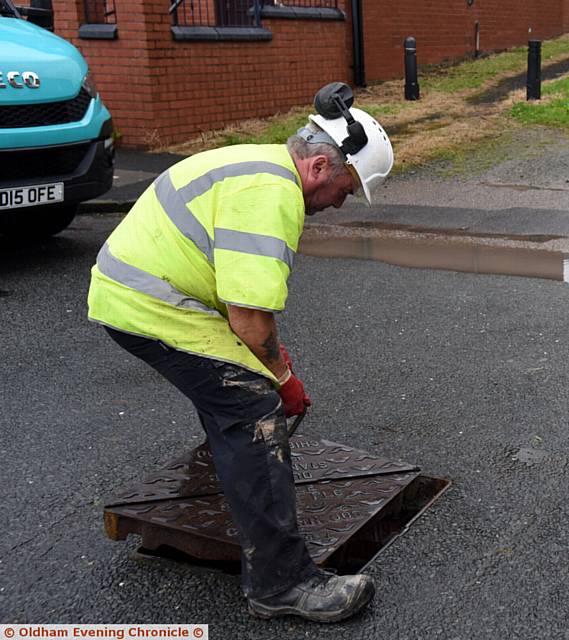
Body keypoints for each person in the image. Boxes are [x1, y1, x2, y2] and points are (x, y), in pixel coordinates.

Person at [87, 82, 393, 623]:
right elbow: (250, 321)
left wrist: (273, 365)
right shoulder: (272, 196)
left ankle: (232, 476)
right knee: (254, 411)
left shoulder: (259, 162)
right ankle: (283, 585)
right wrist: (284, 381)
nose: (340, 203)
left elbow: (244, 313)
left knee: (232, 390)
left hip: (143, 293)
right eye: (346, 189)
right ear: (321, 167)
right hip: (151, 305)